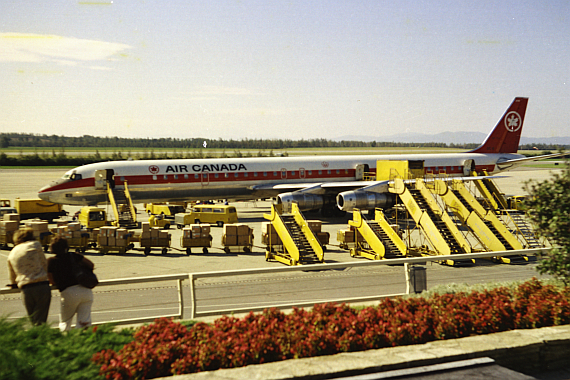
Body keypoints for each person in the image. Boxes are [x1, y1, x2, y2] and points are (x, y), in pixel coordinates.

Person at [47, 236, 95, 331]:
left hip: (69, 292)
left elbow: (51, 280)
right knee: (84, 322)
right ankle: (85, 340)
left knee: (65, 321)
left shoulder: (51, 261)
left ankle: (66, 340)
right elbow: (91, 265)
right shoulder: (74, 256)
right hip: (86, 290)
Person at [7, 227, 52, 325]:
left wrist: (14, 284)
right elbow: (44, 264)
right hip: (41, 286)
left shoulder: (12, 253)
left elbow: (12, 275)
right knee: (41, 321)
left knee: (33, 321)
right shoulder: (35, 245)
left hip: (26, 289)